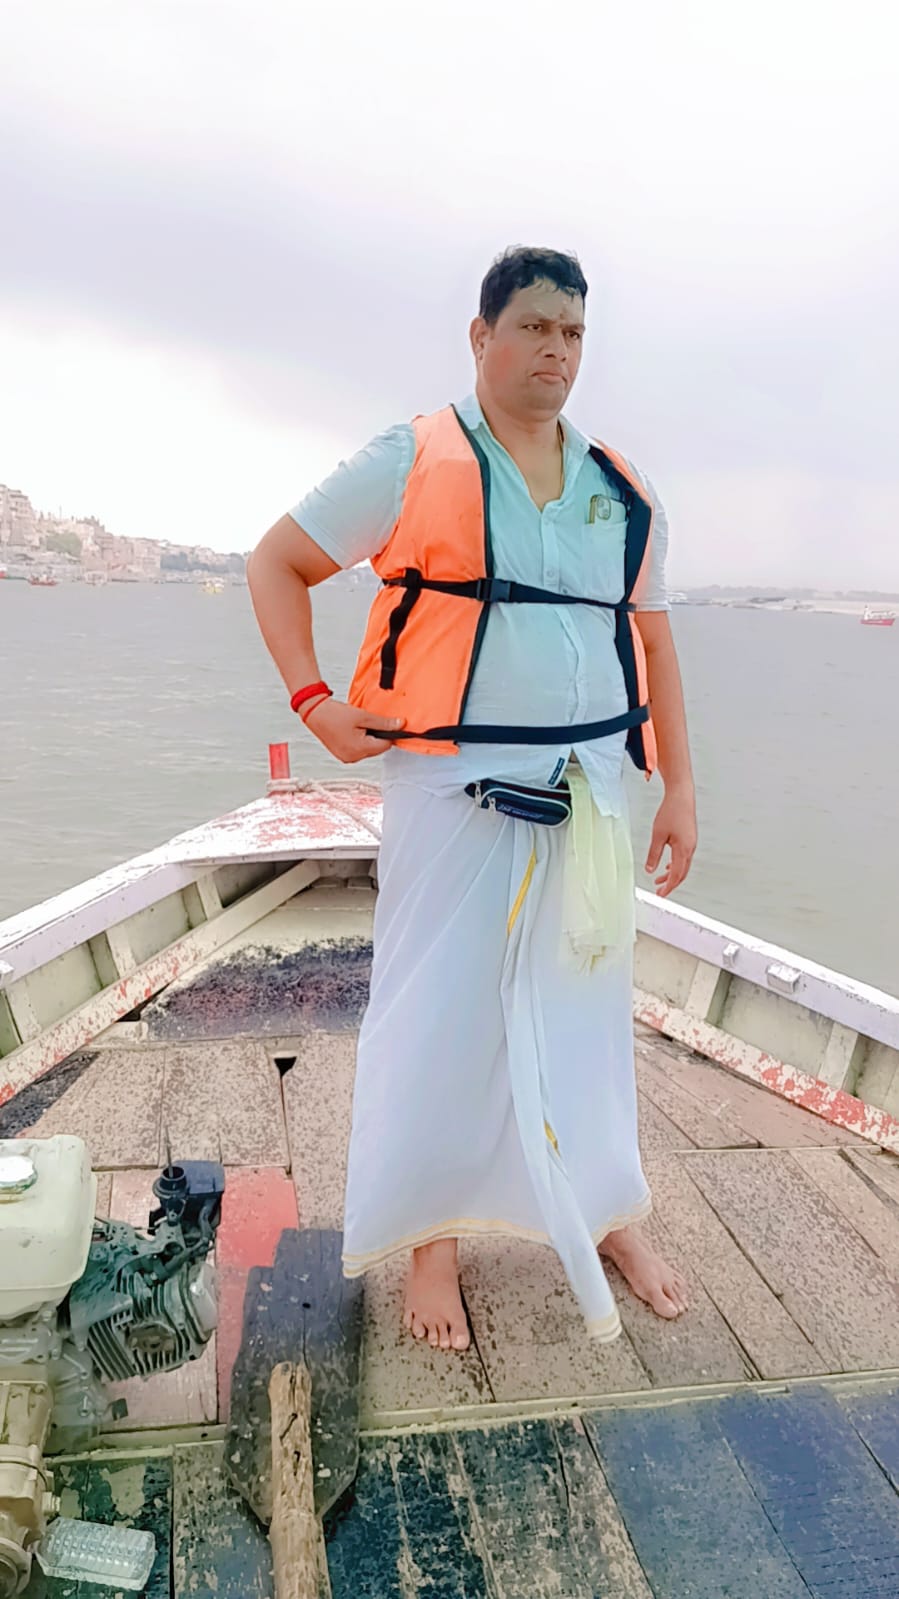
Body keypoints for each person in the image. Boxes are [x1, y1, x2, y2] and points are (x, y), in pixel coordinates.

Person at [248, 246, 697, 1353]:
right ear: (481, 335)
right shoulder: (411, 456)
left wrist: (679, 786)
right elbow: (276, 561)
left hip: (590, 788)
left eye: (573, 333)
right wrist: (313, 701)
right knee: (439, 1007)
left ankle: (605, 1210)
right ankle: (430, 1237)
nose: (556, 350)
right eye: (534, 326)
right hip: (452, 783)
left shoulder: (620, 489)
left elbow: (651, 643)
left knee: (585, 1005)